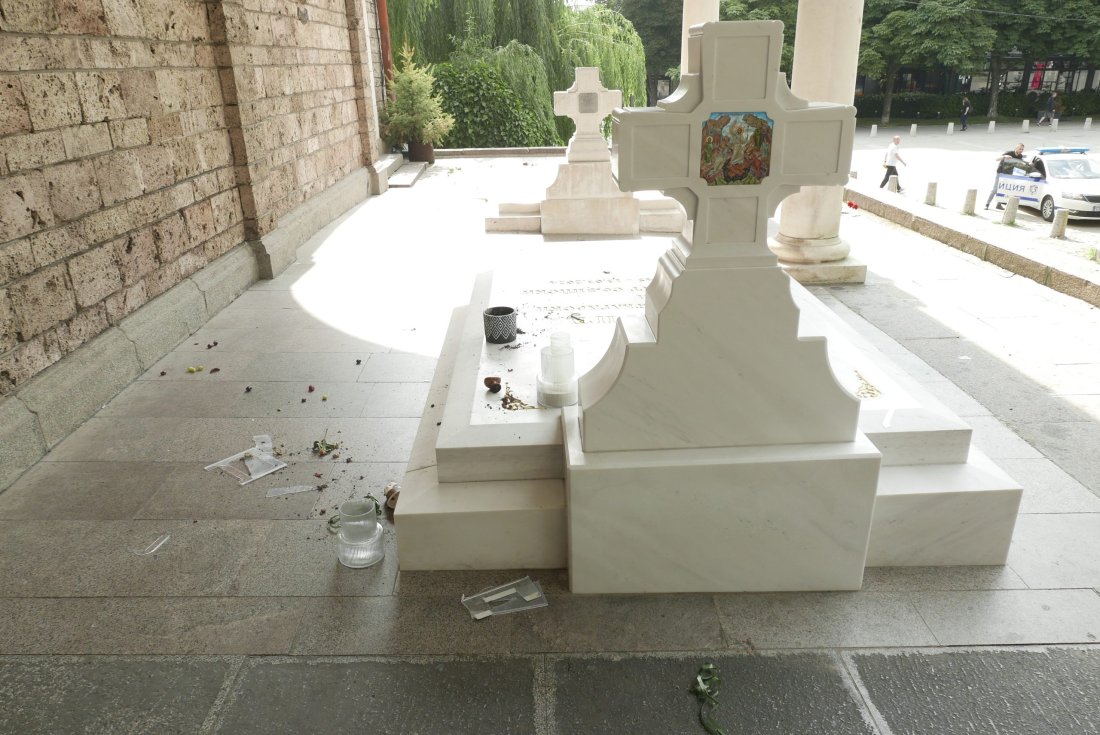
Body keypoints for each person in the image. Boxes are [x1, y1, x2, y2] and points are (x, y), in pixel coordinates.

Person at [985, 142, 1026, 209]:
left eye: (1022, 149)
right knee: (995, 189)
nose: (1021, 150)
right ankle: (987, 204)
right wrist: (1004, 157)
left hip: (1009, 174)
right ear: (1016, 148)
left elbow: (1020, 165)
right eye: (1020, 149)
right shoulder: (1009, 153)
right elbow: (997, 159)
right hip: (1001, 173)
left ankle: (998, 205)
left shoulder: (1020, 156)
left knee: (1004, 190)